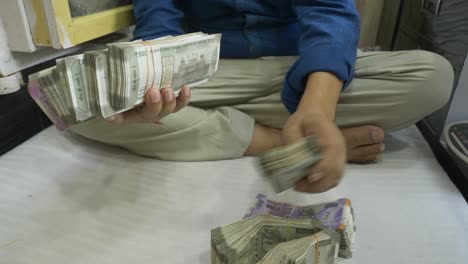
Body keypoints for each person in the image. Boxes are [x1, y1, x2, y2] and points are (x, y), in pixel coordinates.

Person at [70, 0, 454, 193]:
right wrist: (153, 84)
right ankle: (280, 141)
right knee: (81, 103)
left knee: (432, 76)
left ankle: (291, 124)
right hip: (211, 71)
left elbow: (330, 12)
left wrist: (317, 105)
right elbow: (158, 22)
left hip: (295, 67)